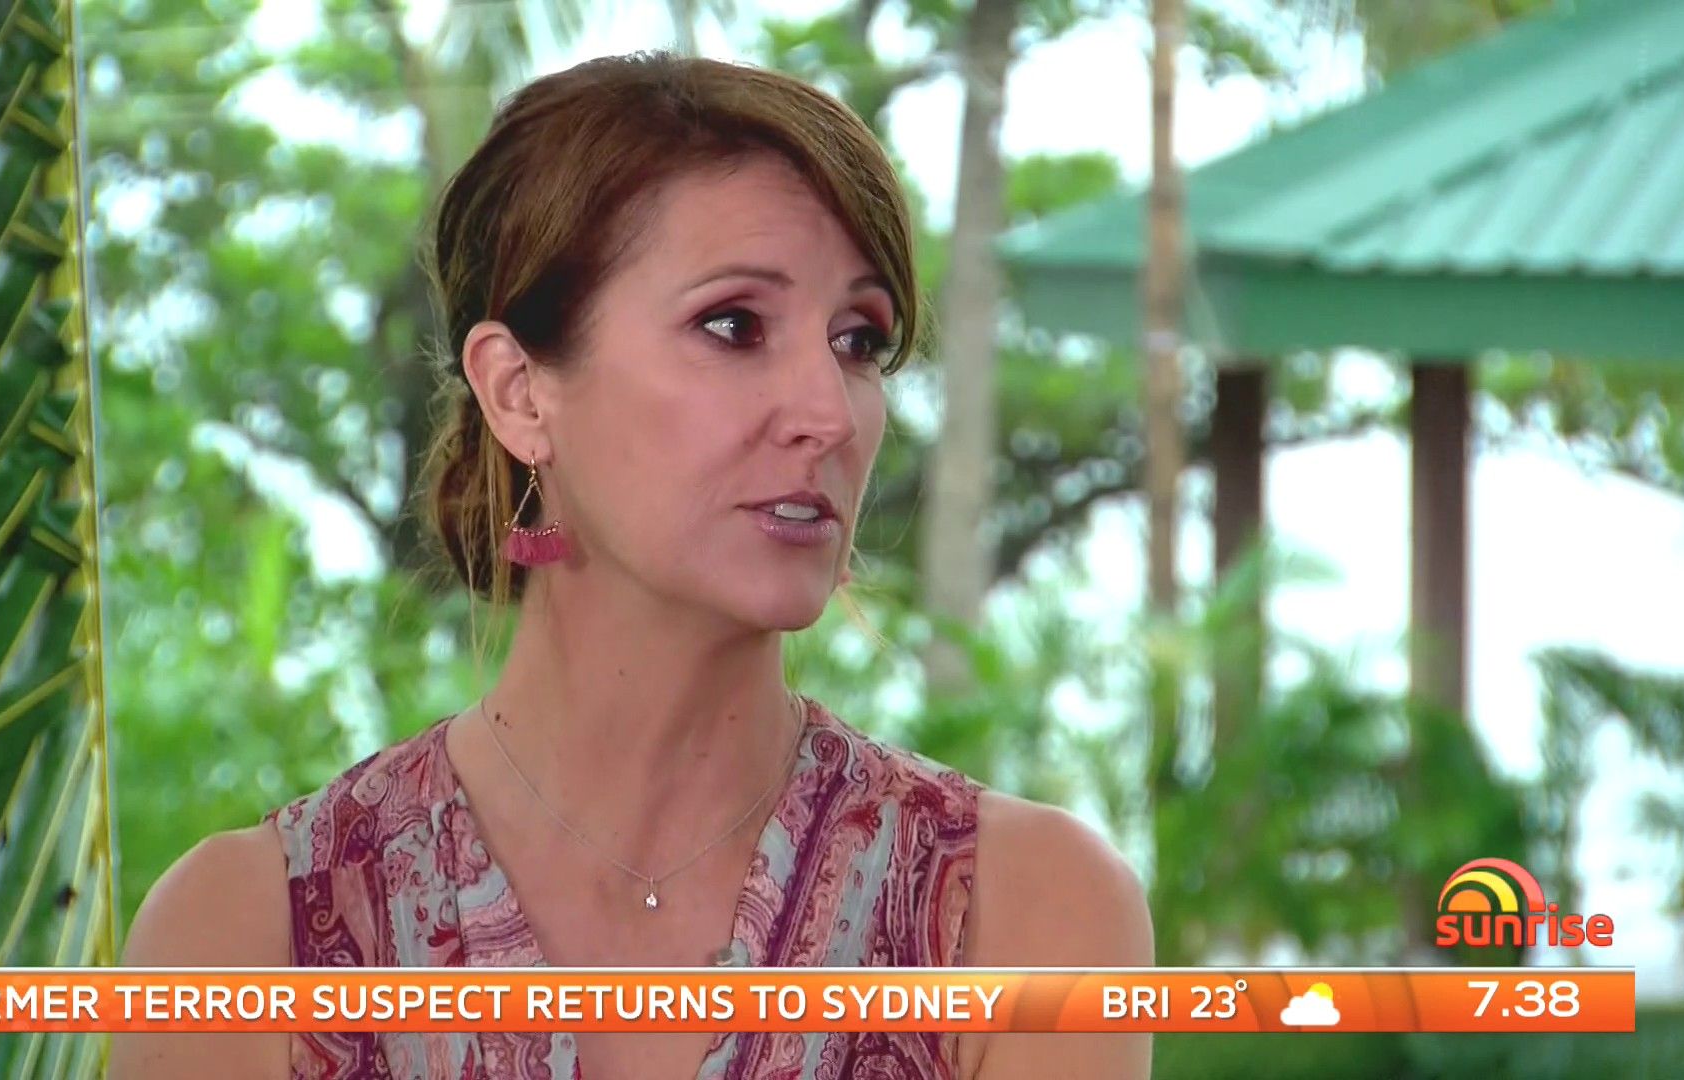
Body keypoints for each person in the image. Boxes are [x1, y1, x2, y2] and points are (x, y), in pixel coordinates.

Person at [114, 50, 1152, 1080]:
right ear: (519, 392)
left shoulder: (1018, 916)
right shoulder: (248, 937)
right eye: (735, 326)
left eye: (857, 341)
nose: (829, 414)